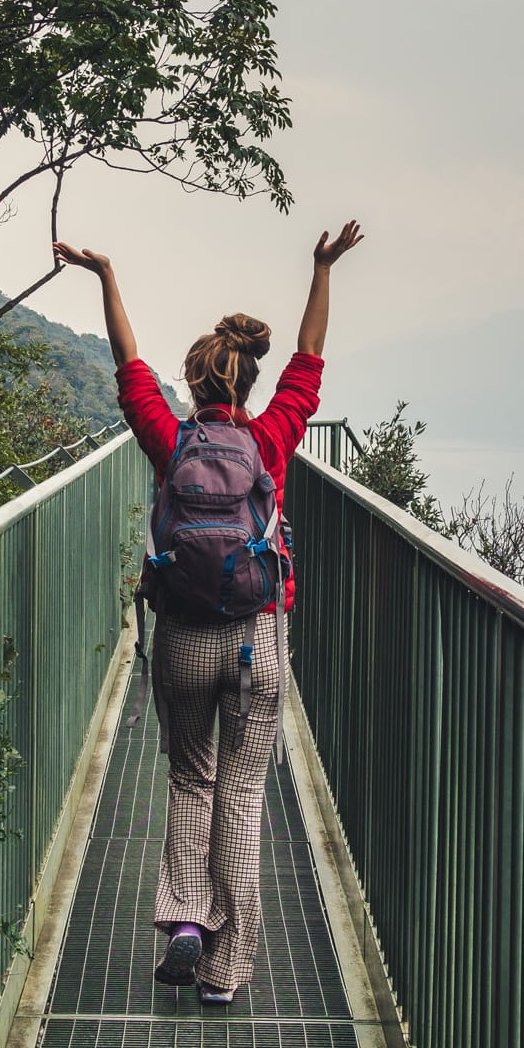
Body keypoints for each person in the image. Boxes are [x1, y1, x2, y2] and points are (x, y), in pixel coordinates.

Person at [52, 223, 363, 1003]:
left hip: (185, 636)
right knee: (243, 796)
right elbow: (309, 360)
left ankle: (187, 920)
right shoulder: (273, 437)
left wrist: (105, 274)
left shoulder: (170, 440)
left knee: (192, 778)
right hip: (258, 637)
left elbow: (128, 368)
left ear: (191, 386)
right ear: (247, 385)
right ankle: (225, 973)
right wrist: (322, 268)